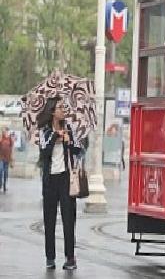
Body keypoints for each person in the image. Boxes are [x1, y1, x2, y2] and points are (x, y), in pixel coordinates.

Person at [37, 97, 83, 270]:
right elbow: (44, 152)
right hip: (50, 181)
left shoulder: (69, 128)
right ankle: (50, 257)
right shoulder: (45, 131)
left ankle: (70, 258)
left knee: (68, 219)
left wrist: (68, 141)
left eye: (63, 107)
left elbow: (78, 149)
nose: (63, 110)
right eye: (59, 107)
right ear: (52, 112)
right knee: (49, 220)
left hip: (66, 179)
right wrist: (56, 137)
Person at [0, 127, 14, 192]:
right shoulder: (1, 139)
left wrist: (12, 158)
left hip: (7, 158)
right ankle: (0, 184)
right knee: (0, 170)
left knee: (6, 173)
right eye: (3, 131)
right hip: (1, 158)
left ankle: (5, 185)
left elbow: (11, 149)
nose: (4, 132)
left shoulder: (10, 139)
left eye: (5, 131)